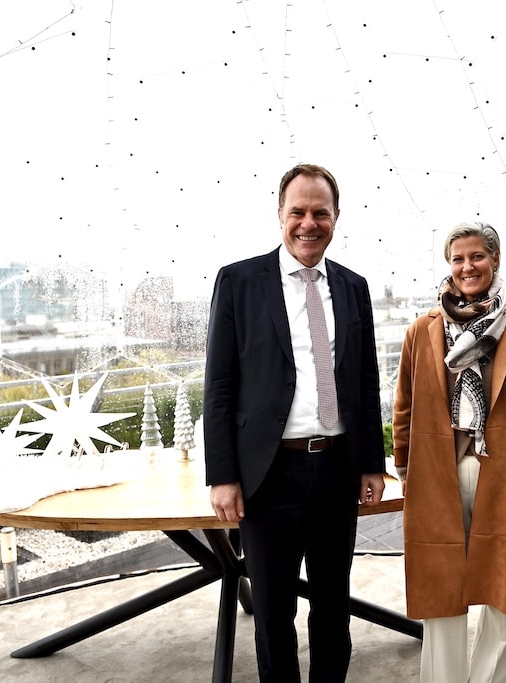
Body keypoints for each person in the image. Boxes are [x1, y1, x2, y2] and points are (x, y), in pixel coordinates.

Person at [203, 163, 386, 682]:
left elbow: (364, 382)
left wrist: (371, 462)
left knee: (333, 606)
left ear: (335, 217)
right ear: (280, 216)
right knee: (274, 614)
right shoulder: (239, 282)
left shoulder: (354, 287)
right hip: (267, 476)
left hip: (335, 471)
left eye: (320, 213)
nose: (309, 223)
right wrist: (222, 475)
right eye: (298, 212)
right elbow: (218, 386)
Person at [392, 221, 506, 682]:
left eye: (477, 257)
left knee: (500, 585)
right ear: (448, 267)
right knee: (441, 584)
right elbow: (404, 406)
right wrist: (405, 466)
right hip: (439, 472)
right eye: (458, 259)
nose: (467, 267)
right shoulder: (422, 330)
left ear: (495, 260)